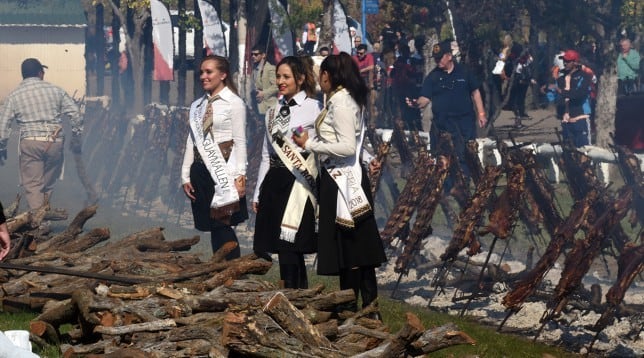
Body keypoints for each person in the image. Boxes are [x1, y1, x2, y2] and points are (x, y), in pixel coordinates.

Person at [292, 53, 387, 317]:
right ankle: (356, 307)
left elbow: (346, 146)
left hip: (345, 182)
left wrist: (310, 144)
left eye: (321, 74)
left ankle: (365, 308)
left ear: (329, 75)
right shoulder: (338, 100)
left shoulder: (342, 102)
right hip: (338, 179)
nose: (318, 79)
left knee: (356, 248)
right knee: (351, 248)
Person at [252, 56, 321, 289]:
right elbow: (265, 155)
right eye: (278, 77)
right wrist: (257, 193)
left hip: (299, 181)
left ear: (300, 79)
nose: (280, 81)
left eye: (286, 77)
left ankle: (299, 293)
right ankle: (291, 292)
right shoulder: (272, 112)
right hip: (275, 180)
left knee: (292, 242)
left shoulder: (315, 108)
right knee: (281, 245)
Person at [181, 55, 248, 261]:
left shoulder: (234, 103)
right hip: (200, 169)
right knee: (212, 225)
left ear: (223, 74)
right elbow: (191, 141)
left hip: (224, 170)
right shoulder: (198, 105)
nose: (203, 76)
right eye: (202, 72)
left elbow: (240, 141)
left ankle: (233, 270)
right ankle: (218, 268)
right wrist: (185, 176)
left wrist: (240, 176)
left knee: (223, 223)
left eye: (209, 72)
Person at [0, 58, 83, 210]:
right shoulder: (56, 90)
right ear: (39, 73)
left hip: (30, 142)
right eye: (43, 71)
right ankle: (43, 216)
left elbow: (3, 124)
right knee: (47, 183)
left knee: (33, 185)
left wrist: (2, 147)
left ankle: (39, 224)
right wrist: (76, 135)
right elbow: (76, 113)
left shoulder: (14, 96)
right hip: (55, 142)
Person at [412, 40, 487, 181]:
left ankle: (464, 181)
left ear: (449, 56)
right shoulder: (433, 77)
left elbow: (475, 92)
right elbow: (425, 98)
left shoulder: (464, 72)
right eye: (435, 59)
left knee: (465, 153)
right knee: (443, 156)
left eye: (439, 58)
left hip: (464, 122)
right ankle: (446, 186)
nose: (437, 61)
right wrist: (417, 103)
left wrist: (481, 114)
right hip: (443, 124)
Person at [556, 50, 593, 147]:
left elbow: (579, 94)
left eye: (568, 61)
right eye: (564, 60)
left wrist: (562, 92)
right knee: (568, 150)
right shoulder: (561, 78)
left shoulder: (584, 77)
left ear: (575, 62)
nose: (565, 63)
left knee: (584, 150)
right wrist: (547, 89)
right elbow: (555, 95)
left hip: (580, 118)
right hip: (566, 120)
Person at [251, 45, 278, 118]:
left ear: (263, 55)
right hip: (258, 107)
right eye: (252, 54)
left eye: (256, 54)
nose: (253, 56)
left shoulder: (270, 68)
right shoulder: (254, 69)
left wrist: (263, 93)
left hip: (270, 106)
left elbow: (276, 86)